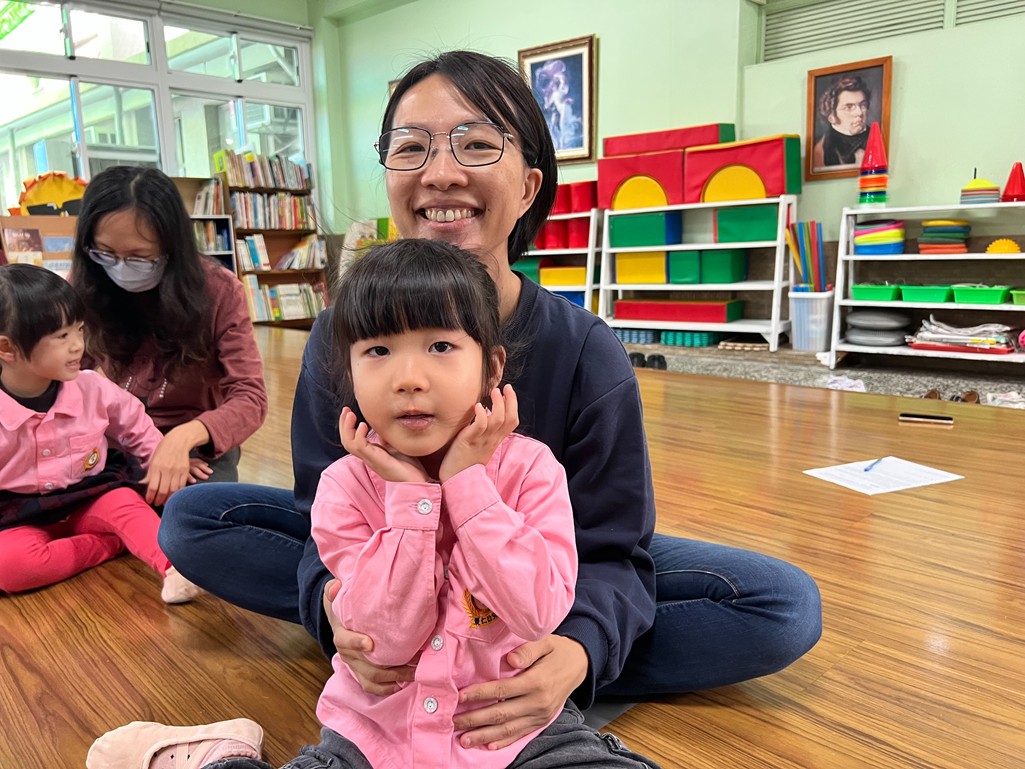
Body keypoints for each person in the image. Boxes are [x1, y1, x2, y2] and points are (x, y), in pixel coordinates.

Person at [160, 50, 821, 751]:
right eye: (410, 148)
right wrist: (333, 609)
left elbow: (609, 544)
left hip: (533, 563)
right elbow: (322, 516)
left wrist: (580, 648)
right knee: (195, 518)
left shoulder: (583, 348)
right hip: (385, 556)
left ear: (529, 184)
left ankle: (506, 663)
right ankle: (437, 646)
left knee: (778, 606)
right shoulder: (340, 336)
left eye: (476, 144)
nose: (440, 172)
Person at [88, 239, 663, 769]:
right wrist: (413, 502)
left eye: (441, 346)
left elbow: (538, 612)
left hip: (519, 733)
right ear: (349, 372)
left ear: (491, 367)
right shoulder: (347, 486)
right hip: (376, 733)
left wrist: (467, 486)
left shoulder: (532, 469)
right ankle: (219, 754)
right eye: (379, 350)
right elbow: (385, 642)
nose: (409, 378)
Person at [0, 263, 200, 602]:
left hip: (92, 495)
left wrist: (162, 464)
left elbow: (136, 425)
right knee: (9, 568)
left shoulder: (92, 387)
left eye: (79, 330)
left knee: (128, 507)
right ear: (7, 349)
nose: (78, 345)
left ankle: (174, 568)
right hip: (17, 515)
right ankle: (112, 544)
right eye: (61, 337)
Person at [71, 166, 268, 503]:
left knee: (192, 511)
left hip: (197, 442)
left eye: (139, 257)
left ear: (172, 247)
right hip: (118, 437)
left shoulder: (219, 291)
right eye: (105, 253)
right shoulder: (85, 285)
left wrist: (182, 438)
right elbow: (65, 380)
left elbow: (250, 398)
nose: (120, 267)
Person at [812, 75, 871, 170]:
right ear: (832, 117)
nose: (859, 112)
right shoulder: (820, 151)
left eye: (863, 105)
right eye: (849, 107)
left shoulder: (878, 138)